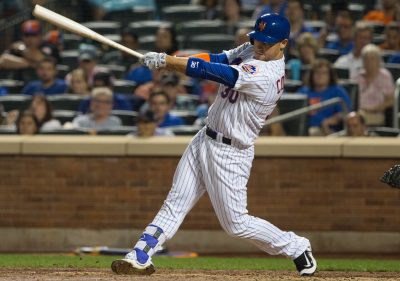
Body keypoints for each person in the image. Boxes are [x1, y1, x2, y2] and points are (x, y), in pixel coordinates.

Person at [111, 13, 317, 277]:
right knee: (175, 202)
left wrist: (170, 62)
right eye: (258, 39)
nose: (260, 45)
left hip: (231, 152)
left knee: (236, 224)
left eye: (268, 41)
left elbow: (220, 73)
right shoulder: (253, 50)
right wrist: (174, 59)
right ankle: (140, 254)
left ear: (284, 43)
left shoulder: (268, 73)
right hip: (205, 138)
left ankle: (296, 246)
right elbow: (216, 59)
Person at [298, 59, 352, 136]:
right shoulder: (303, 91)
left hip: (329, 130)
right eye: (317, 73)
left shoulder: (338, 91)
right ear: (312, 75)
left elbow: (345, 113)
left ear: (330, 76)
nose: (320, 76)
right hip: (304, 128)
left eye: (324, 73)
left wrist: (328, 121)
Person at [356, 44, 395, 127]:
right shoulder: (357, 76)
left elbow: (391, 100)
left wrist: (375, 108)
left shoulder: (385, 76)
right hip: (358, 112)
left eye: (372, 59)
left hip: (376, 113)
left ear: (378, 61)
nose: (369, 62)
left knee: (358, 122)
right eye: (366, 59)